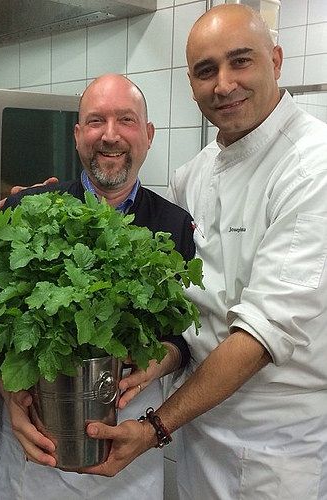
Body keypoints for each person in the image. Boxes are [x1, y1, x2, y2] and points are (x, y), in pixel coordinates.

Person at [80, 4, 327, 499]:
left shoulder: (311, 166)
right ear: (191, 83)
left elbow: (263, 330)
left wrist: (154, 426)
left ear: (275, 61)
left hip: (271, 449)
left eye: (241, 62)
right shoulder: (195, 173)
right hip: (197, 427)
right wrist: (49, 207)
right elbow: (165, 286)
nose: (224, 84)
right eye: (206, 70)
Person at [0, 73, 197, 499]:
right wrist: (7, 391)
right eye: (95, 121)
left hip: (128, 438)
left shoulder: (174, 224)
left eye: (126, 120)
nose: (110, 135)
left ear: (148, 134)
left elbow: (185, 332)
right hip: (35, 449)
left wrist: (161, 360)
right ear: (77, 134)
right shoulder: (25, 209)